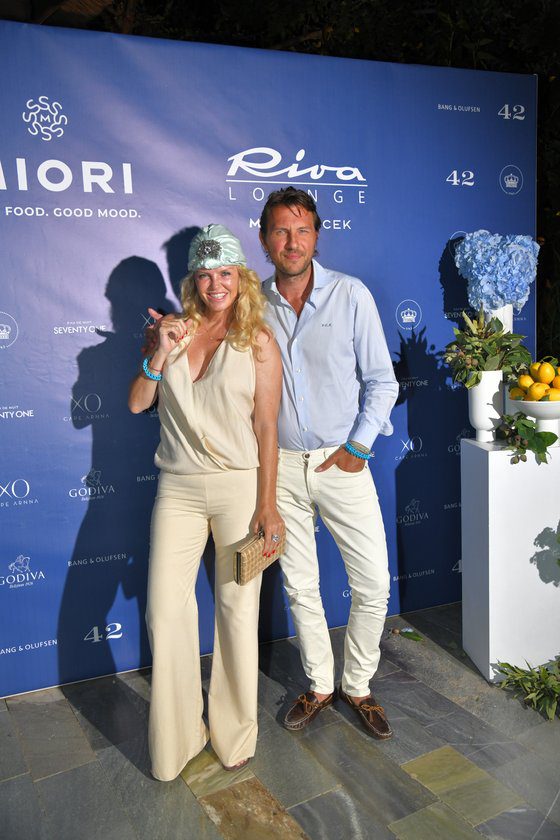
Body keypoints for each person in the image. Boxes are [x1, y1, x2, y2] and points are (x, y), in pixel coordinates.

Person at [128, 224, 283, 780]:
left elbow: (267, 428)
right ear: (192, 280)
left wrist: (268, 505)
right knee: (165, 612)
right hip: (178, 488)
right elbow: (137, 402)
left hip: (240, 488)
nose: (216, 284)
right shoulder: (174, 331)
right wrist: (159, 352)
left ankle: (235, 731)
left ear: (241, 278)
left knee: (238, 612)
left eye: (226, 273)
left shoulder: (258, 341)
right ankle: (178, 739)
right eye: (205, 274)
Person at [258, 187, 399, 738]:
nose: (292, 242)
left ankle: (358, 685)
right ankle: (319, 685)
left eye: (302, 230)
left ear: (317, 236)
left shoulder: (350, 294)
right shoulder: (253, 305)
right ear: (265, 239)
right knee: (301, 586)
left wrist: (358, 448)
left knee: (374, 584)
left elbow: (382, 381)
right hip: (280, 467)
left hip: (342, 462)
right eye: (281, 231)